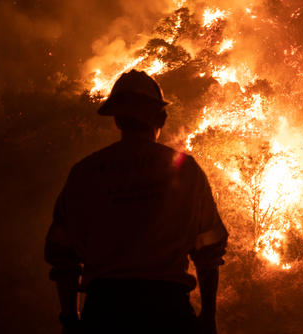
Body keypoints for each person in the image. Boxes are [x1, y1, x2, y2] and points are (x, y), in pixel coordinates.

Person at [44, 70, 229, 334]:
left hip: (104, 315)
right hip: (167, 313)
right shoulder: (185, 170)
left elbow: (61, 255)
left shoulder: (83, 173)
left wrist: (70, 319)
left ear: (117, 120)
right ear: (160, 117)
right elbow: (209, 249)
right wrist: (209, 314)